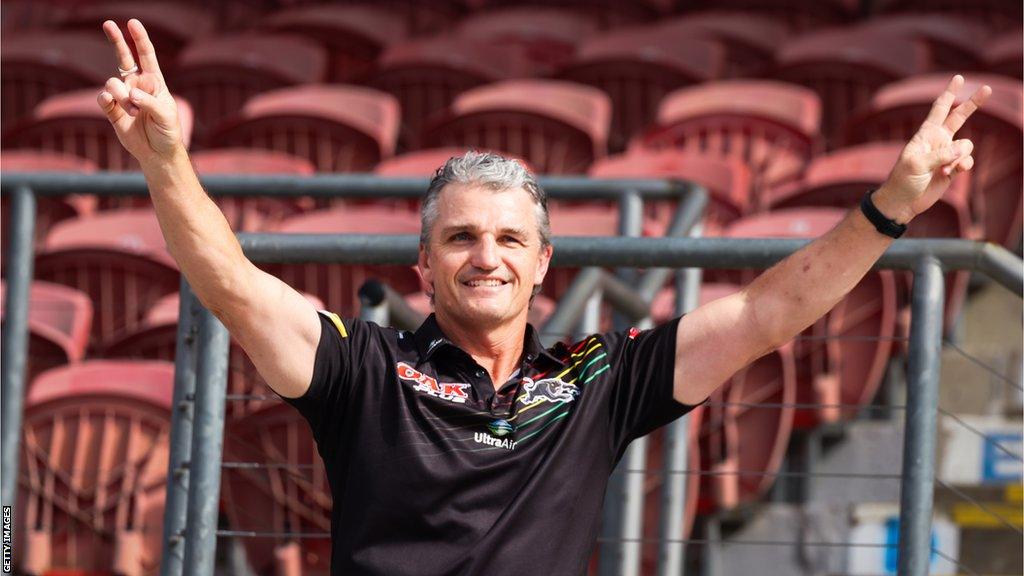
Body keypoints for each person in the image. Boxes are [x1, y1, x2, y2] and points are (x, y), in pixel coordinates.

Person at [97, 18, 991, 575]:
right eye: (461, 238)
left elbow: (767, 314)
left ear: (543, 264)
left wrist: (889, 209)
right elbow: (231, 281)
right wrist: (167, 161)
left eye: (508, 240)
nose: (486, 257)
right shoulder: (363, 367)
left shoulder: (597, 376)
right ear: (423, 265)